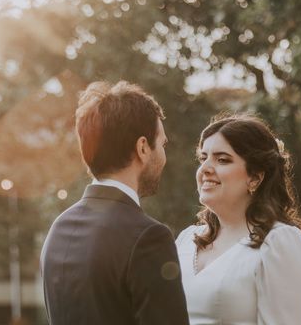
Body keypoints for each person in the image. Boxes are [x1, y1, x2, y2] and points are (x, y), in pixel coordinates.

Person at [40, 81, 189, 325]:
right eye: (162, 144)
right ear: (143, 147)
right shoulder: (149, 236)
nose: (164, 156)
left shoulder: (59, 228)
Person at [175, 114, 301, 324]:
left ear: (255, 177)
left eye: (222, 159)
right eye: (203, 157)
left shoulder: (279, 243)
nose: (205, 168)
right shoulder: (186, 240)